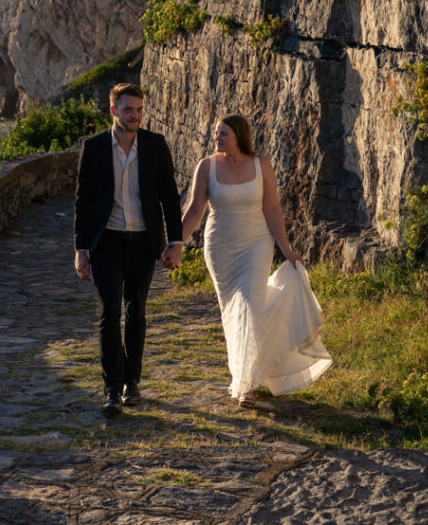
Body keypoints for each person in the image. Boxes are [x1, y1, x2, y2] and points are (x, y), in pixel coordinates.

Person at [182, 114, 331, 408]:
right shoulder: (207, 167)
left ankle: (245, 385)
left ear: (239, 135)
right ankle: (242, 376)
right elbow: (195, 211)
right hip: (220, 248)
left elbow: (272, 208)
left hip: (256, 244)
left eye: (223, 133)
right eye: (215, 133)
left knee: (249, 307)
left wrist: (286, 250)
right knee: (233, 312)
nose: (217, 137)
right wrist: (175, 244)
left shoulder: (261, 164)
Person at [74, 82, 183, 416]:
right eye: (127, 110)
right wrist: (81, 249)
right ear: (113, 111)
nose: (134, 116)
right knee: (110, 313)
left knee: (137, 310)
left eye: (138, 110)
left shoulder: (154, 145)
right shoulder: (93, 148)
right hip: (106, 241)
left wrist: (175, 242)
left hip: (143, 243)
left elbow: (169, 196)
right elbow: (84, 201)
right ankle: (110, 388)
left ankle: (130, 384)